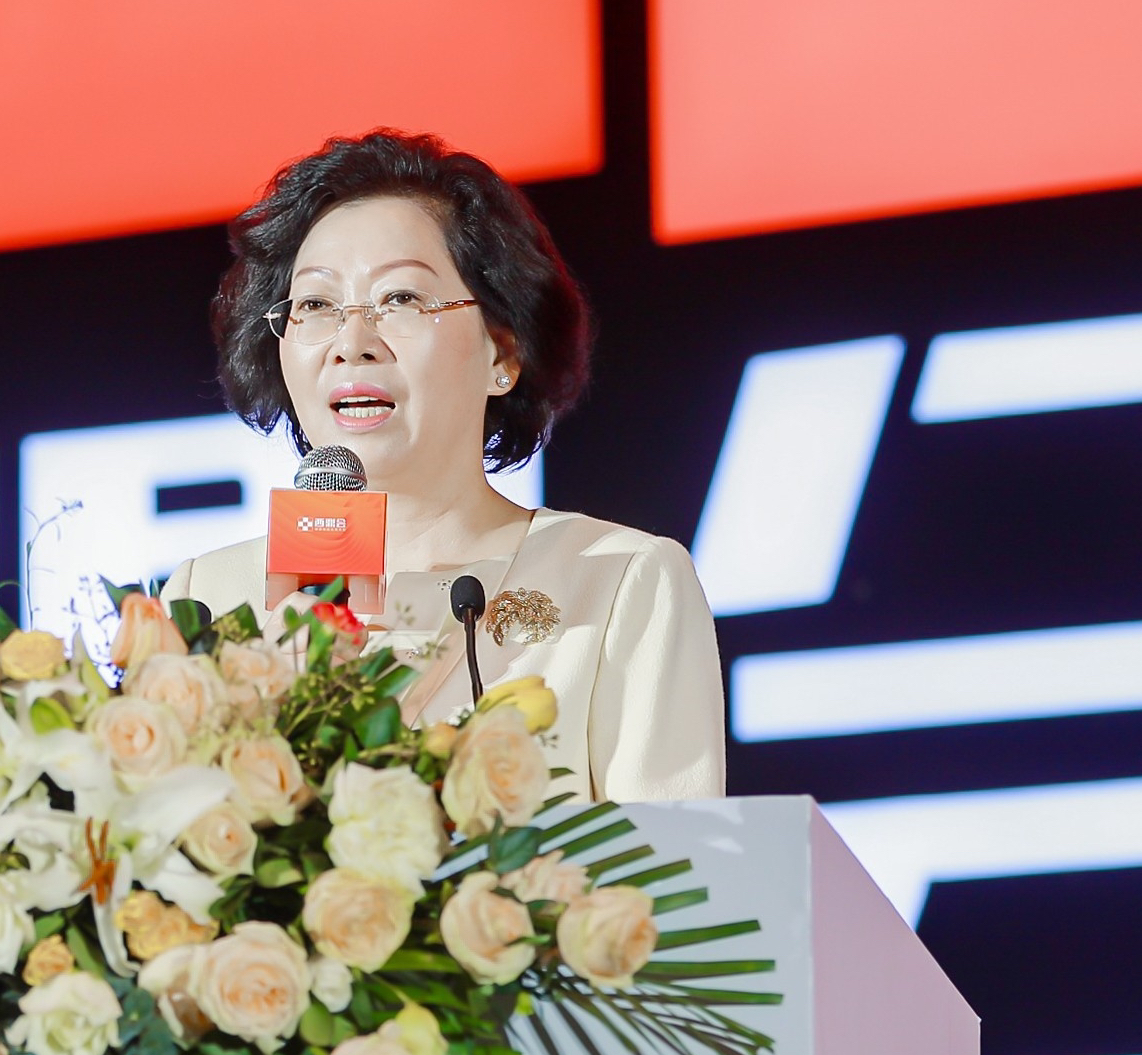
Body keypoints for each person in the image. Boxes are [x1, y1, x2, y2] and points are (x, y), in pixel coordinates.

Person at [163, 131, 724, 803]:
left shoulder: (616, 583)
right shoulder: (208, 597)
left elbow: (675, 865)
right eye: (315, 305)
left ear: (503, 353)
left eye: (401, 299)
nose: (351, 343)